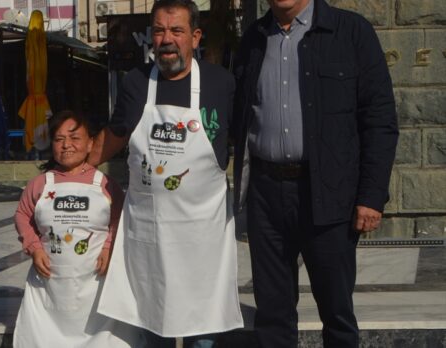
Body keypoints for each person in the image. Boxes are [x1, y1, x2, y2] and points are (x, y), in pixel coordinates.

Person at [232, 0, 398, 347]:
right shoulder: (252, 39)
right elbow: (238, 117)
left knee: (337, 311)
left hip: (329, 193)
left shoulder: (351, 32)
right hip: (266, 195)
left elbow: (379, 119)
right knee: (272, 314)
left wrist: (371, 196)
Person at [90, 0, 244, 346]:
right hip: (150, 235)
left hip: (203, 238)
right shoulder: (136, 82)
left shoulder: (222, 84)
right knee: (152, 323)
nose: (166, 39)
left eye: (176, 30)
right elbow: (112, 139)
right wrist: (74, 167)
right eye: (159, 30)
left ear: (196, 36)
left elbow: (246, 139)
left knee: (202, 330)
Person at [13, 110, 140, 348]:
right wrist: (34, 246)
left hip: (95, 285)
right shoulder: (41, 183)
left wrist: (108, 247)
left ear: (91, 142)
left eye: (75, 138)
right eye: (59, 139)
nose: (66, 145)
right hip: (49, 289)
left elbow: (120, 219)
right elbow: (22, 215)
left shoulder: (105, 184)